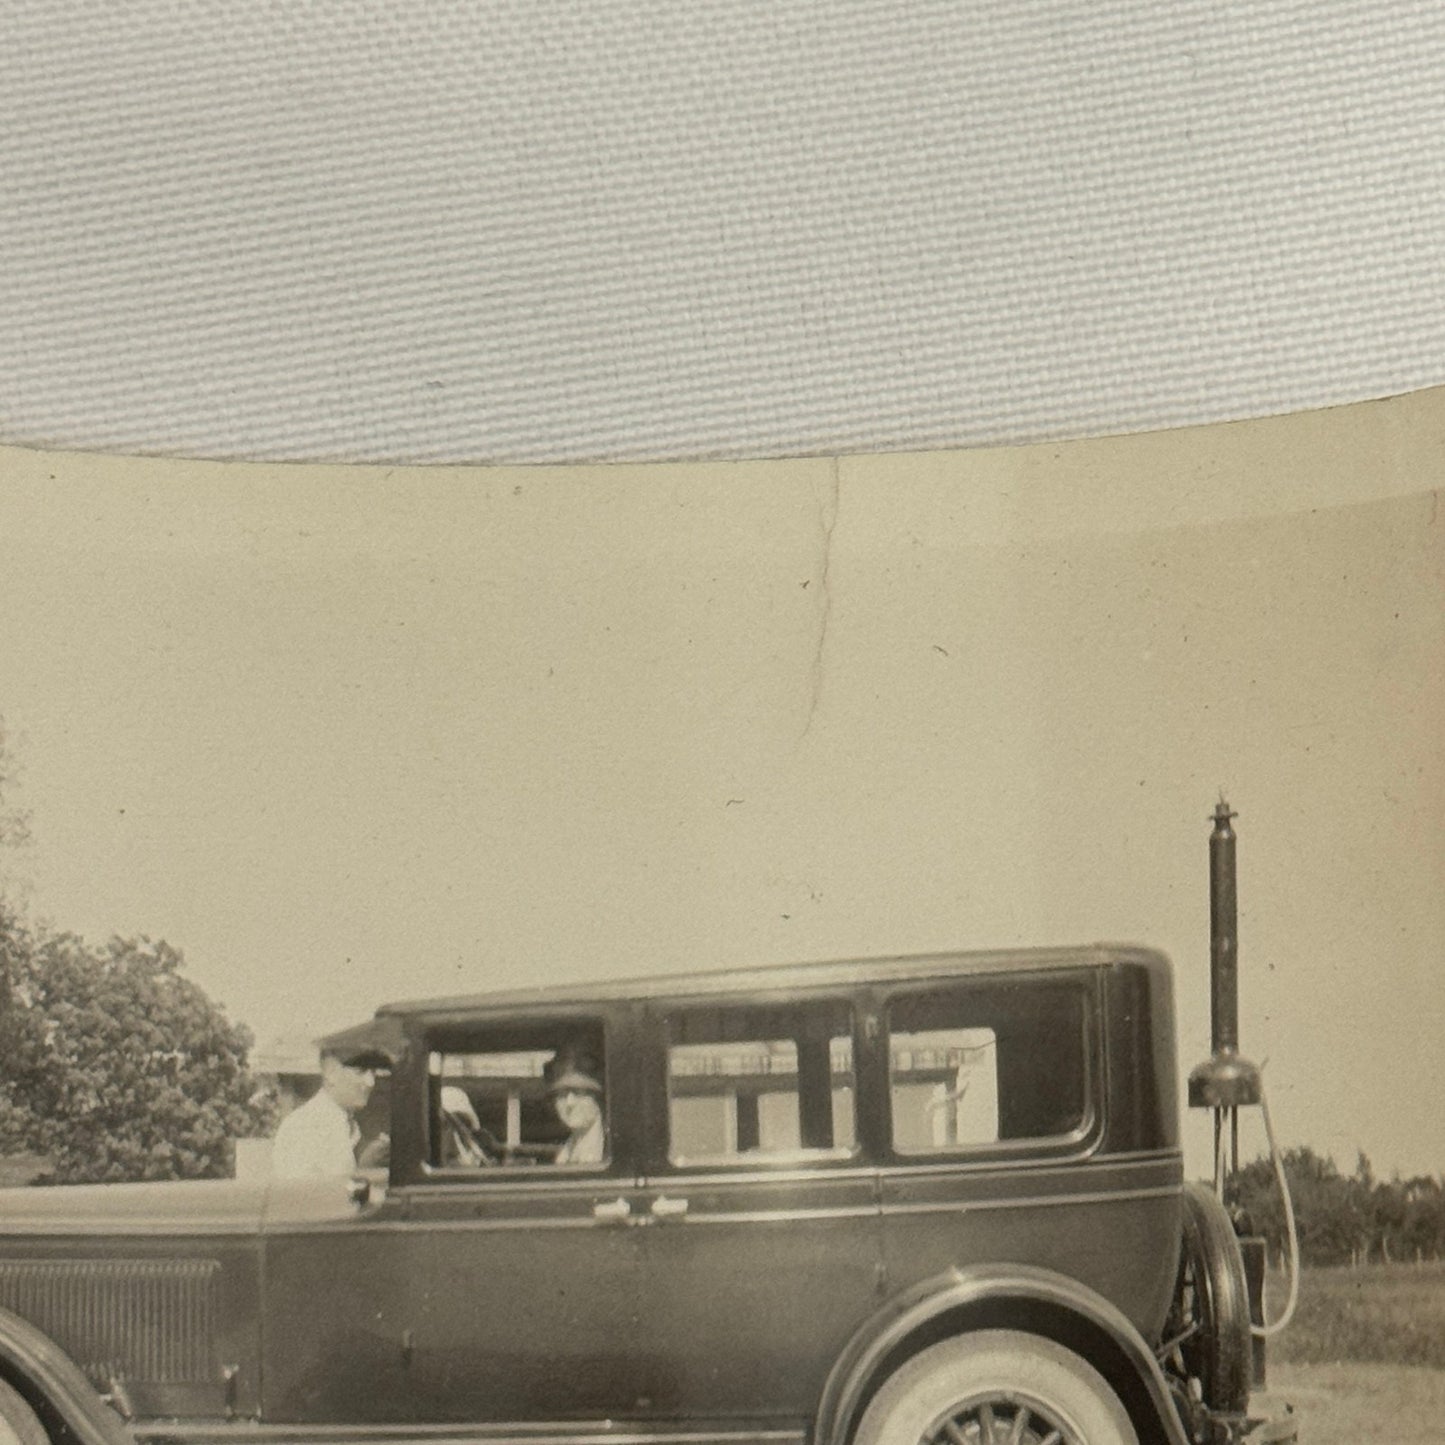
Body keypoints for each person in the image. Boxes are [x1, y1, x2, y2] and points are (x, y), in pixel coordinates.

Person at [271, 1042, 390, 1178]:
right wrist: (365, 1169)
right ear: (330, 1072)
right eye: (360, 1071)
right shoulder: (302, 1127)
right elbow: (303, 1196)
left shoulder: (351, 1126)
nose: (371, 1082)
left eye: (373, 1072)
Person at [547, 1052, 607, 1165]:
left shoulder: (611, 1149)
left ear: (598, 1100)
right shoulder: (565, 1153)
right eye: (562, 1095)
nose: (570, 1103)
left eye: (578, 1093)